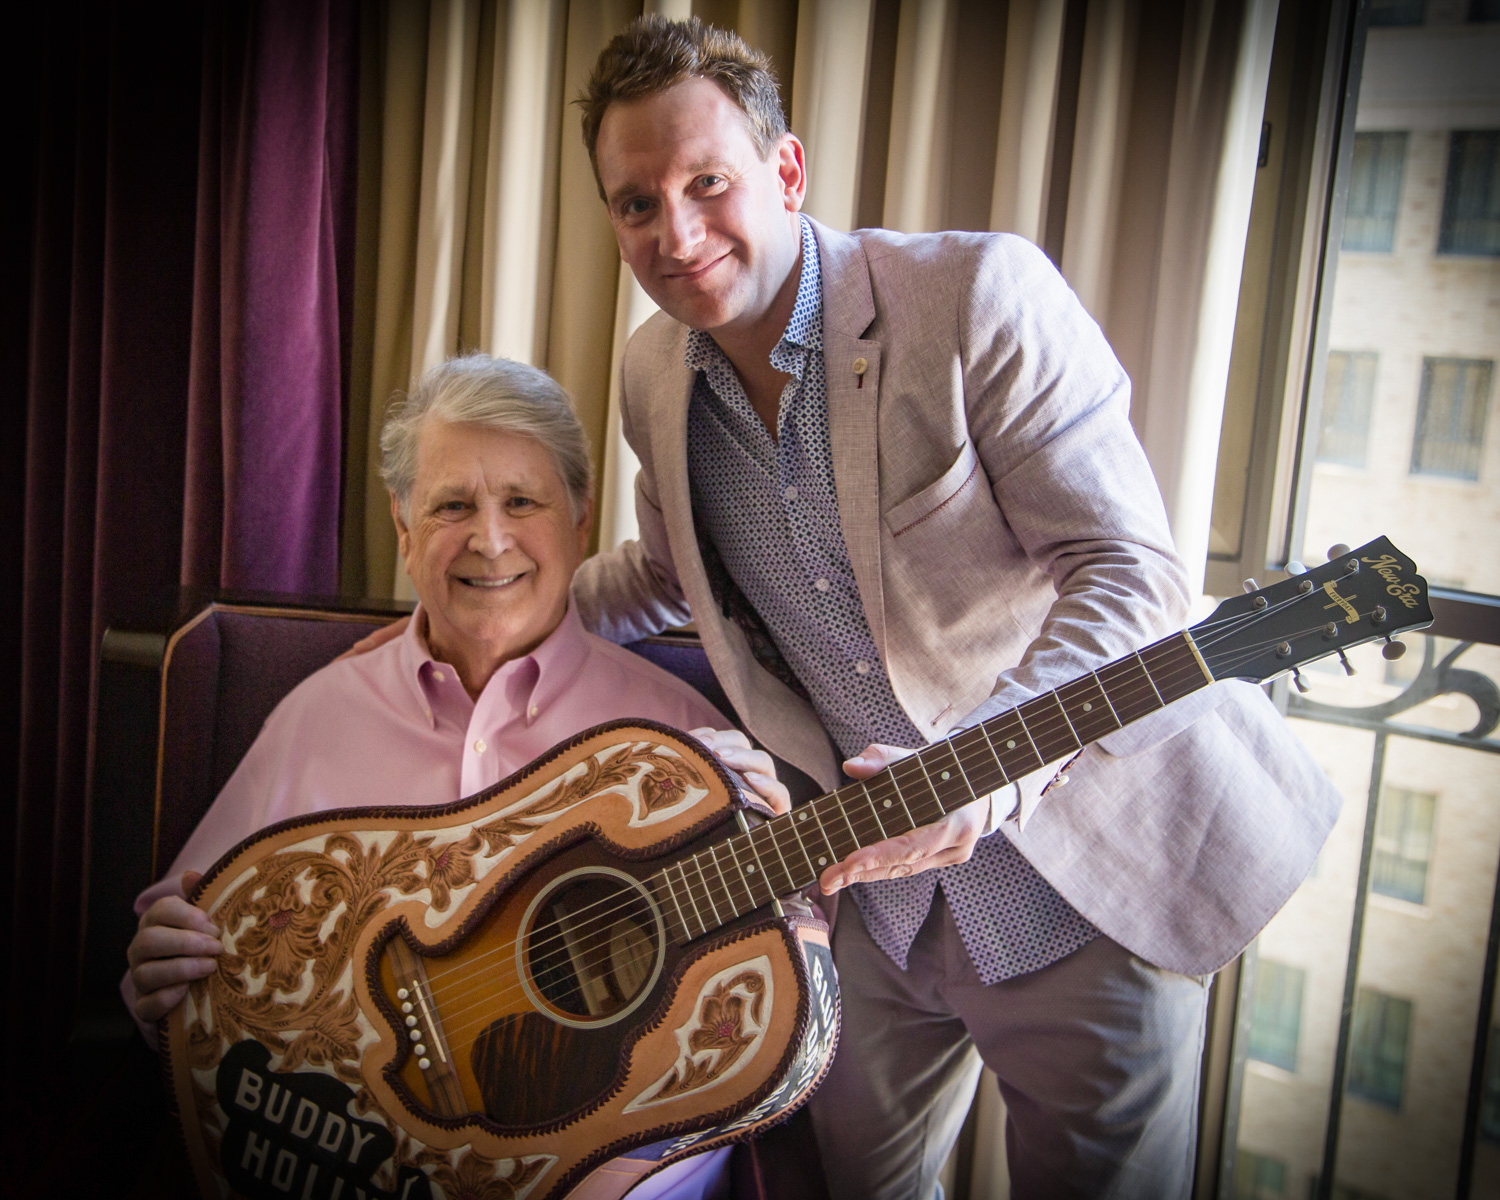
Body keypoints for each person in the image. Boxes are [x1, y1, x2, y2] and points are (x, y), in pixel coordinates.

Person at [560, 16, 1343, 1200]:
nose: (675, 233)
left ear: (786, 170)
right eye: (636, 204)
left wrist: (984, 770)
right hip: (869, 904)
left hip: (1087, 875)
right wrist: (508, 611)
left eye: (706, 182)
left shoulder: (978, 293)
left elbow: (1133, 572)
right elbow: (671, 576)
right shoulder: (648, 375)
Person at [124, 353, 793, 1200]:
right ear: (402, 528)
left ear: (580, 517)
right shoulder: (318, 715)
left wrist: (780, 852)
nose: (490, 539)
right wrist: (158, 976)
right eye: (451, 506)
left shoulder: (681, 750)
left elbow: (763, 998)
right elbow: (191, 936)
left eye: (522, 502)